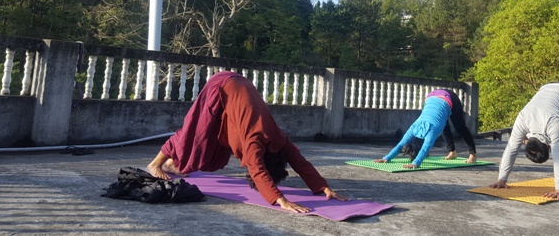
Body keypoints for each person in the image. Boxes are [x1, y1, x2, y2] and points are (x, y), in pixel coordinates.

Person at [147, 70, 348, 213]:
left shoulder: (280, 140)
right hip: (221, 86)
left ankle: (172, 164)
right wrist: (280, 200)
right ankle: (155, 164)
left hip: (239, 86)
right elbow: (257, 170)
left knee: (208, 150)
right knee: (194, 133)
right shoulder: (255, 141)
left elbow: (300, 162)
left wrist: (324, 188)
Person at [487, 82, 559, 200]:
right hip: (549, 95)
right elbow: (511, 149)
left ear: (548, 146)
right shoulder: (522, 121)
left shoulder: (553, 124)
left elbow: (558, 154)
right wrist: (502, 179)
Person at [374, 89, 477, 169]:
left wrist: (416, 163)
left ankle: (473, 154)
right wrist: (386, 158)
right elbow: (401, 144)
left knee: (460, 127)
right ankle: (452, 152)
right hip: (432, 97)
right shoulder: (414, 128)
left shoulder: (431, 132)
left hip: (449, 98)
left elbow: (425, 148)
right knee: (443, 126)